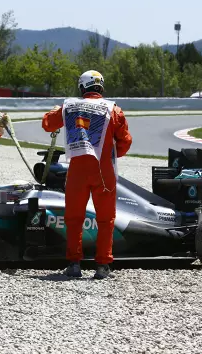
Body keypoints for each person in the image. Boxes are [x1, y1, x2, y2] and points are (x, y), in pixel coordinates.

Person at [42, 70, 132, 279]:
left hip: (77, 169)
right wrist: (111, 155)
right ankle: (102, 266)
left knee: (74, 218)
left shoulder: (69, 105)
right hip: (103, 169)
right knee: (106, 219)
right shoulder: (113, 109)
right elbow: (126, 141)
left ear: (82, 87)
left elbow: (47, 124)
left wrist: (55, 111)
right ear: (101, 87)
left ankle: (74, 263)